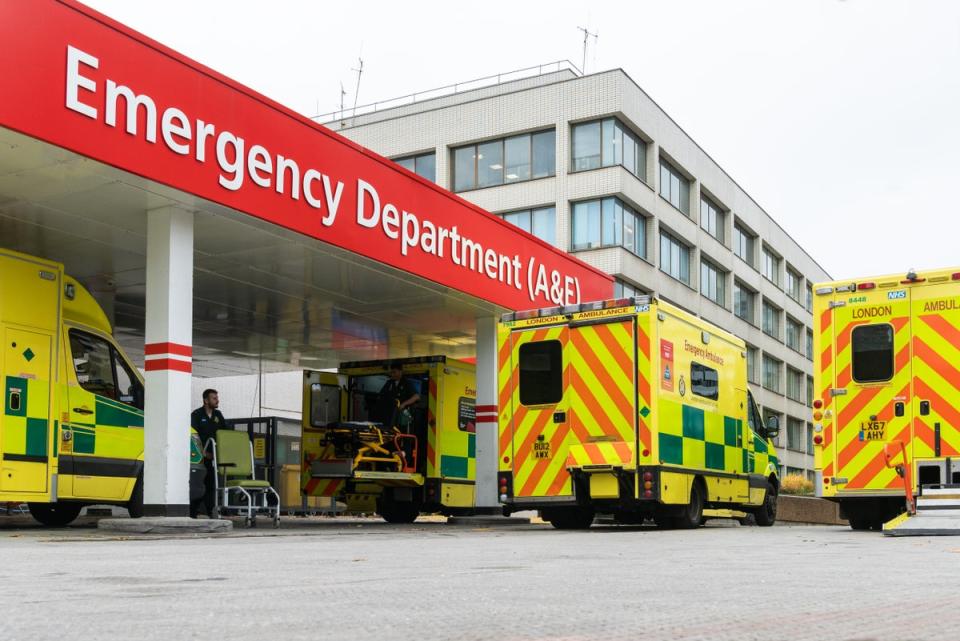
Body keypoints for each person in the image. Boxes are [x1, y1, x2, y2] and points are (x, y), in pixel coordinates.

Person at [190, 388, 226, 518]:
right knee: (198, 484)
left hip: (214, 457)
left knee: (211, 484)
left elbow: (225, 433)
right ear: (206, 400)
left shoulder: (218, 415)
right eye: (214, 398)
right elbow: (192, 436)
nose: (217, 400)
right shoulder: (196, 415)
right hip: (199, 457)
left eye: (217, 398)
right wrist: (203, 454)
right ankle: (192, 512)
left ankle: (211, 511)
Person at [376, 362, 420, 429]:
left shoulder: (406, 383)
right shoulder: (389, 383)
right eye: (391, 372)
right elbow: (381, 395)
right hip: (390, 415)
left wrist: (404, 404)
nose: (392, 374)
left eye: (394, 372)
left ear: (400, 372)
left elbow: (416, 396)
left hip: (402, 416)